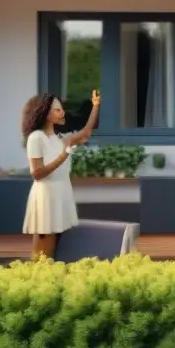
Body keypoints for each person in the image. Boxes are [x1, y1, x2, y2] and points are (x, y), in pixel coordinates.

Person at [20, 90, 101, 260]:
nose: (62, 112)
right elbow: (37, 173)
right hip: (46, 195)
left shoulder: (60, 139)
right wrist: (64, 155)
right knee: (43, 249)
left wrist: (95, 106)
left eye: (61, 109)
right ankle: (36, 279)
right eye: (57, 109)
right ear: (45, 113)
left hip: (61, 192)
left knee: (57, 246)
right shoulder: (36, 138)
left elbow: (86, 133)